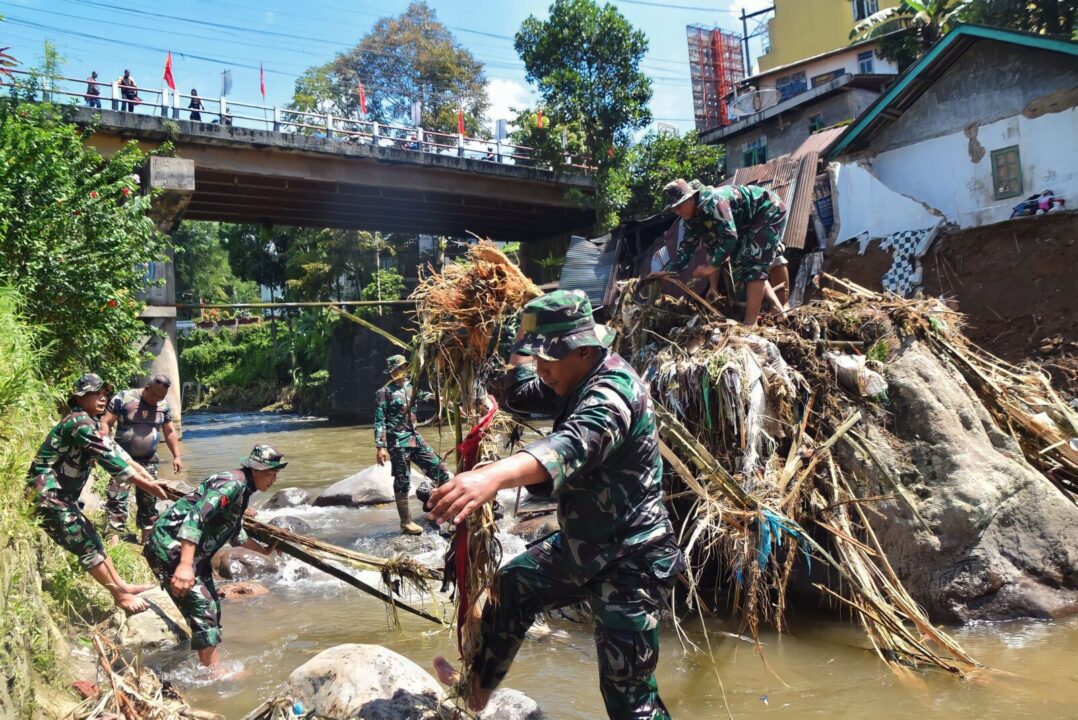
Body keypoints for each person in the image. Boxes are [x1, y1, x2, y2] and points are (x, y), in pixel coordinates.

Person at [428, 290, 684, 719]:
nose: (541, 370)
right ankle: (474, 696)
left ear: (584, 350)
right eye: (537, 357)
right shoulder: (573, 377)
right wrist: (507, 337)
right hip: (583, 547)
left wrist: (491, 475)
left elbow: (571, 444)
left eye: (549, 360)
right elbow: (519, 392)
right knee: (513, 587)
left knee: (627, 696)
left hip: (632, 558)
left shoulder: (613, 391)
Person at [26, 373, 166, 613]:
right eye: (95, 393)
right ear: (79, 398)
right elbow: (106, 456)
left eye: (105, 394)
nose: (103, 398)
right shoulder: (78, 422)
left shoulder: (90, 423)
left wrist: (149, 477)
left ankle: (122, 586)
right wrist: (147, 486)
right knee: (87, 547)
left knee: (94, 540)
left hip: (63, 498)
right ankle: (120, 596)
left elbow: (119, 453)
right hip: (47, 496)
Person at [143, 444, 284, 669]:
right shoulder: (232, 483)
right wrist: (185, 565)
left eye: (276, 473)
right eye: (271, 473)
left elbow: (235, 533)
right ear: (255, 470)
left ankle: (206, 663)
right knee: (203, 607)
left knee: (212, 608)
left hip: (193, 554)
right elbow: (195, 518)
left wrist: (266, 550)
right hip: (170, 547)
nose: (274, 478)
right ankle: (212, 675)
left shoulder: (243, 489)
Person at [662, 177, 791, 326]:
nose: (677, 212)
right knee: (743, 266)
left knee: (754, 265)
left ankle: (750, 324)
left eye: (679, 206)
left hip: (767, 209)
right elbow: (688, 248)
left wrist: (710, 268)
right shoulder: (692, 218)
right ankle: (777, 308)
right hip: (744, 225)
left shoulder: (714, 202)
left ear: (690, 198)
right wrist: (668, 273)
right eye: (674, 209)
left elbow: (729, 237)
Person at [99, 374, 183, 544]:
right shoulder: (124, 398)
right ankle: (113, 539)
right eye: (154, 395)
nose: (156, 400)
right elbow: (106, 422)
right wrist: (101, 448)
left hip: (149, 459)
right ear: (146, 388)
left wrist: (177, 456)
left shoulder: (163, 405)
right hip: (122, 459)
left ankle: (146, 541)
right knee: (117, 496)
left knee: (149, 499)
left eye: (161, 397)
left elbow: (170, 431)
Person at [374, 355, 450, 535]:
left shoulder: (412, 389)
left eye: (404, 367)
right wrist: (381, 446)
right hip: (397, 441)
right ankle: (406, 522)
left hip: (414, 437)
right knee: (403, 480)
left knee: (439, 469)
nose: (401, 371)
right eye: (398, 368)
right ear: (392, 371)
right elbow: (379, 420)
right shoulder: (384, 392)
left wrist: (448, 399)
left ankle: (442, 509)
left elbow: (430, 397)